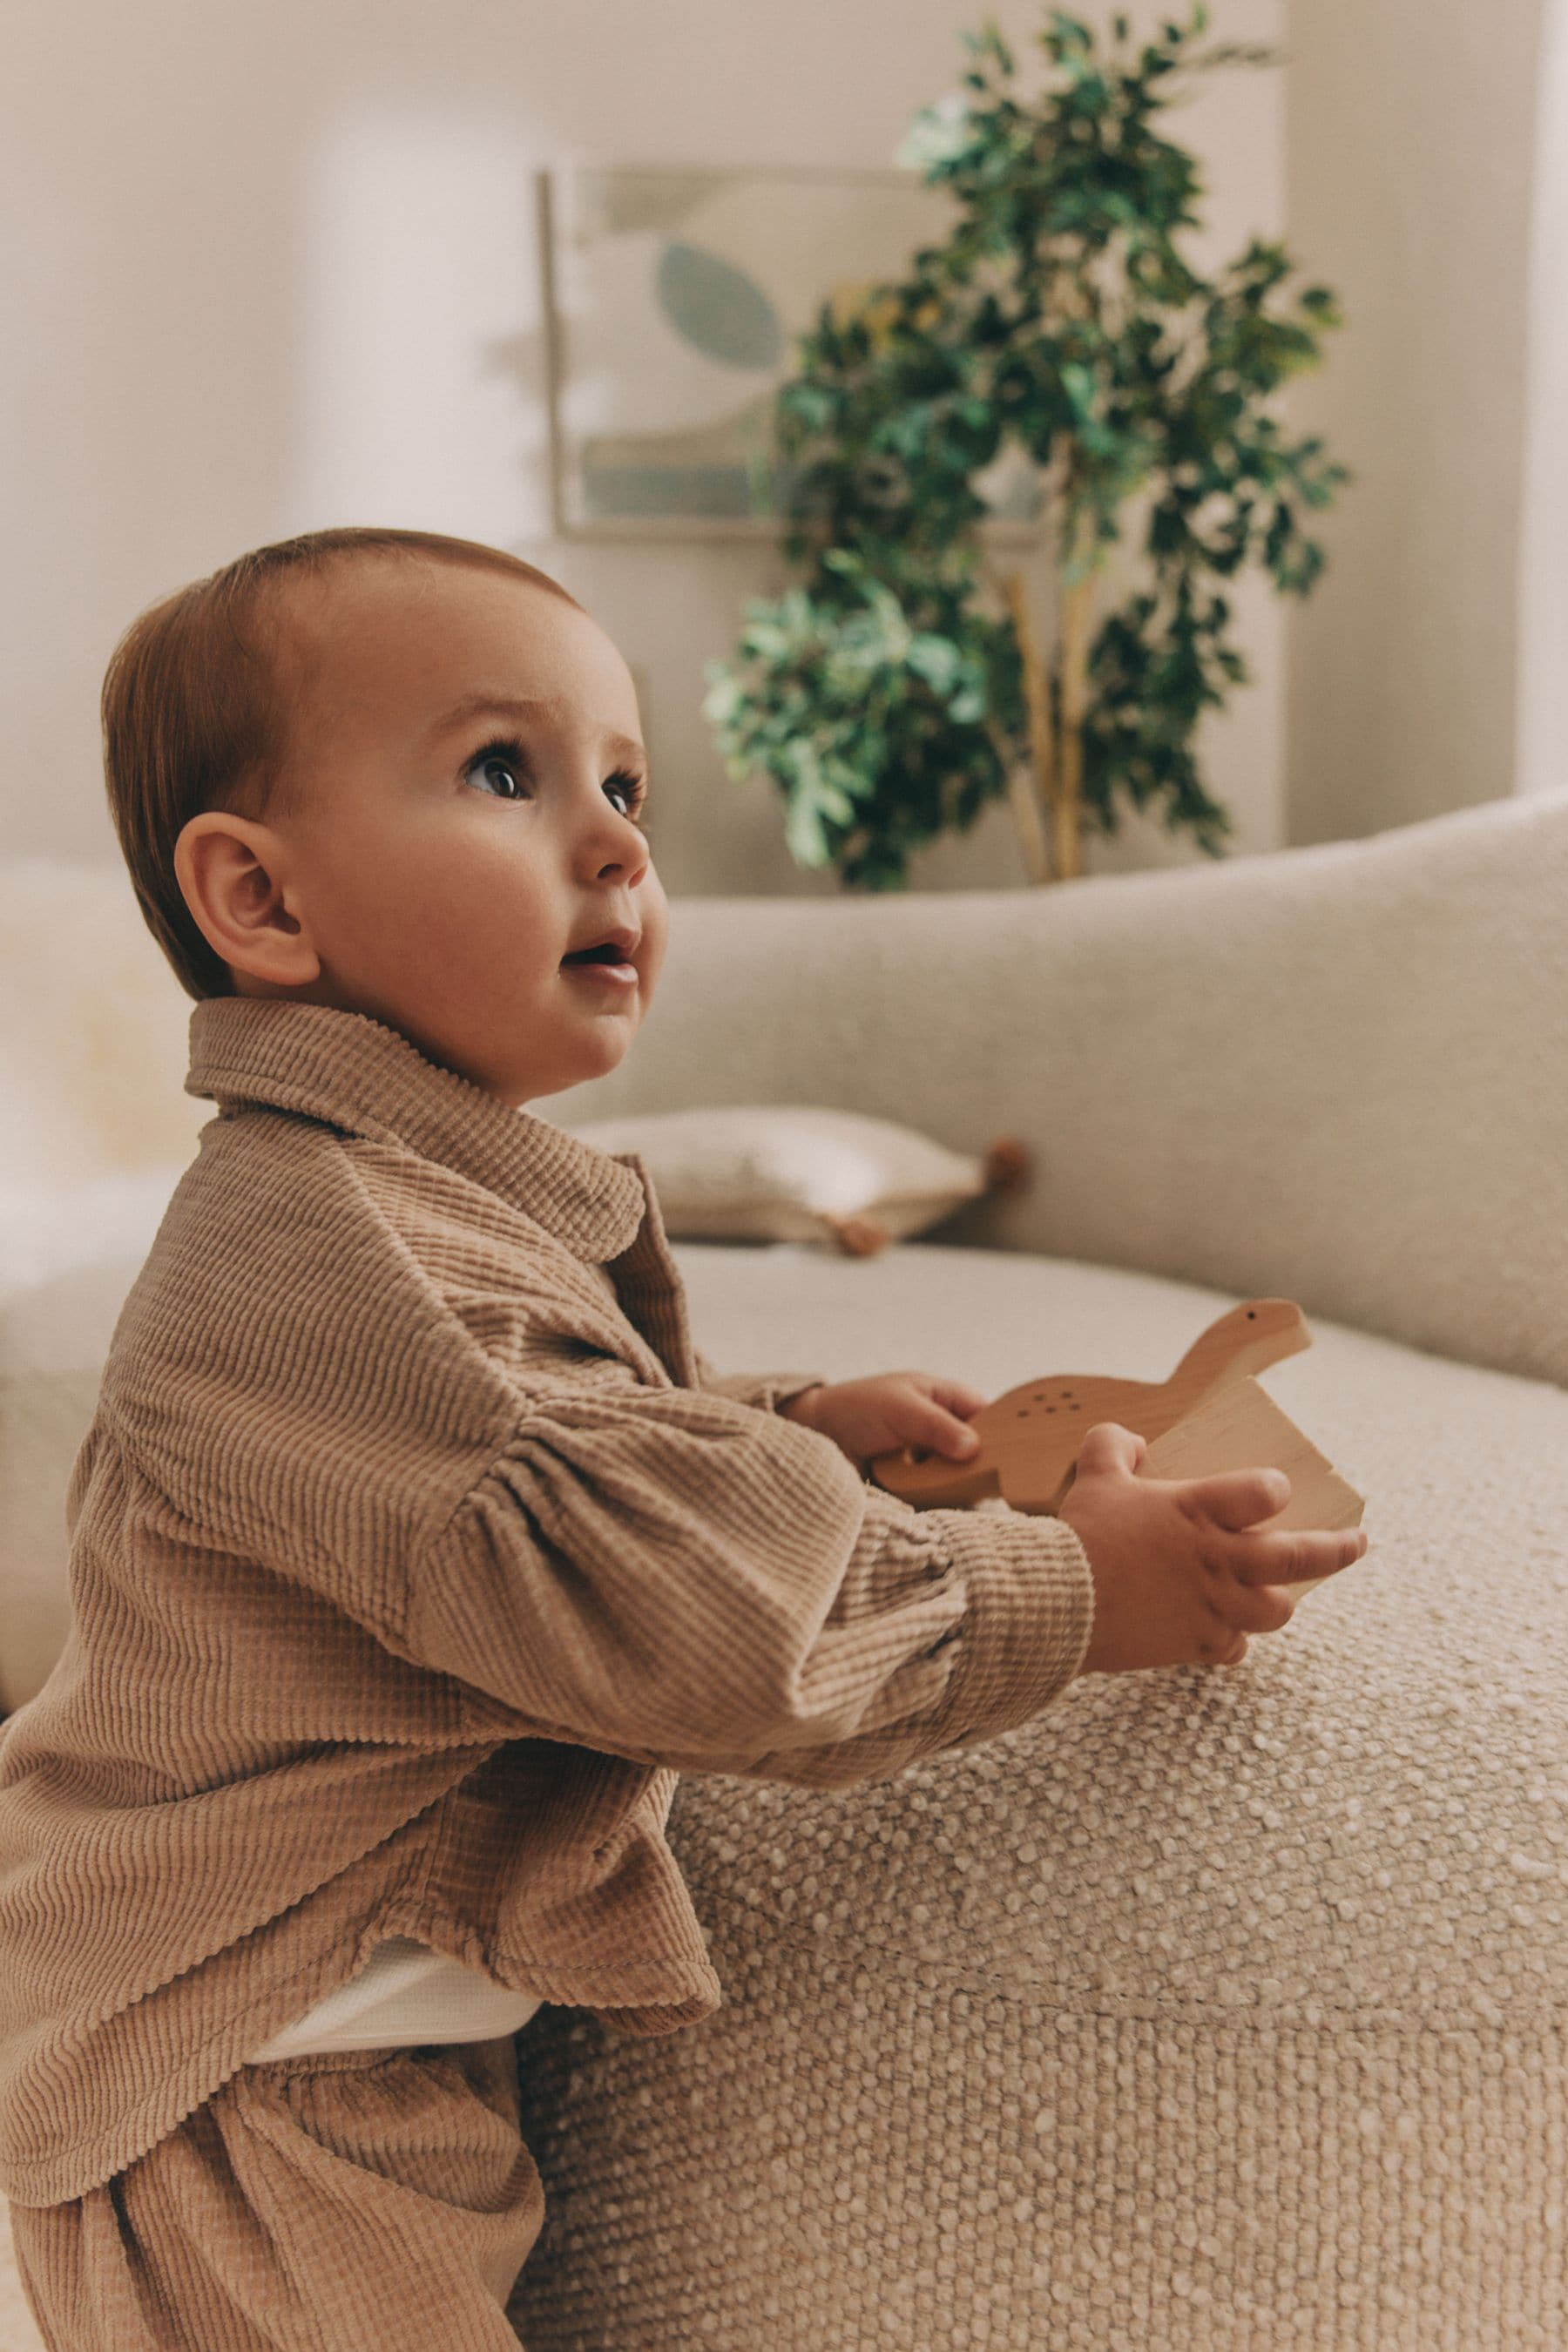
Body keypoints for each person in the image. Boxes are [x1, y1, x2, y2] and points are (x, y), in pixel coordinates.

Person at [0, 526, 1369, 2349]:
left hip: (311, 2036)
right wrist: (1062, 1586)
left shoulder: (396, 1202)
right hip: (227, 2067)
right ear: (261, 903)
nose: (621, 840)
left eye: (625, 782)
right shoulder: (345, 1261)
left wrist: (788, 1423)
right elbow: (690, 1621)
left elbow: (532, 1450)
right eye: (507, 770)